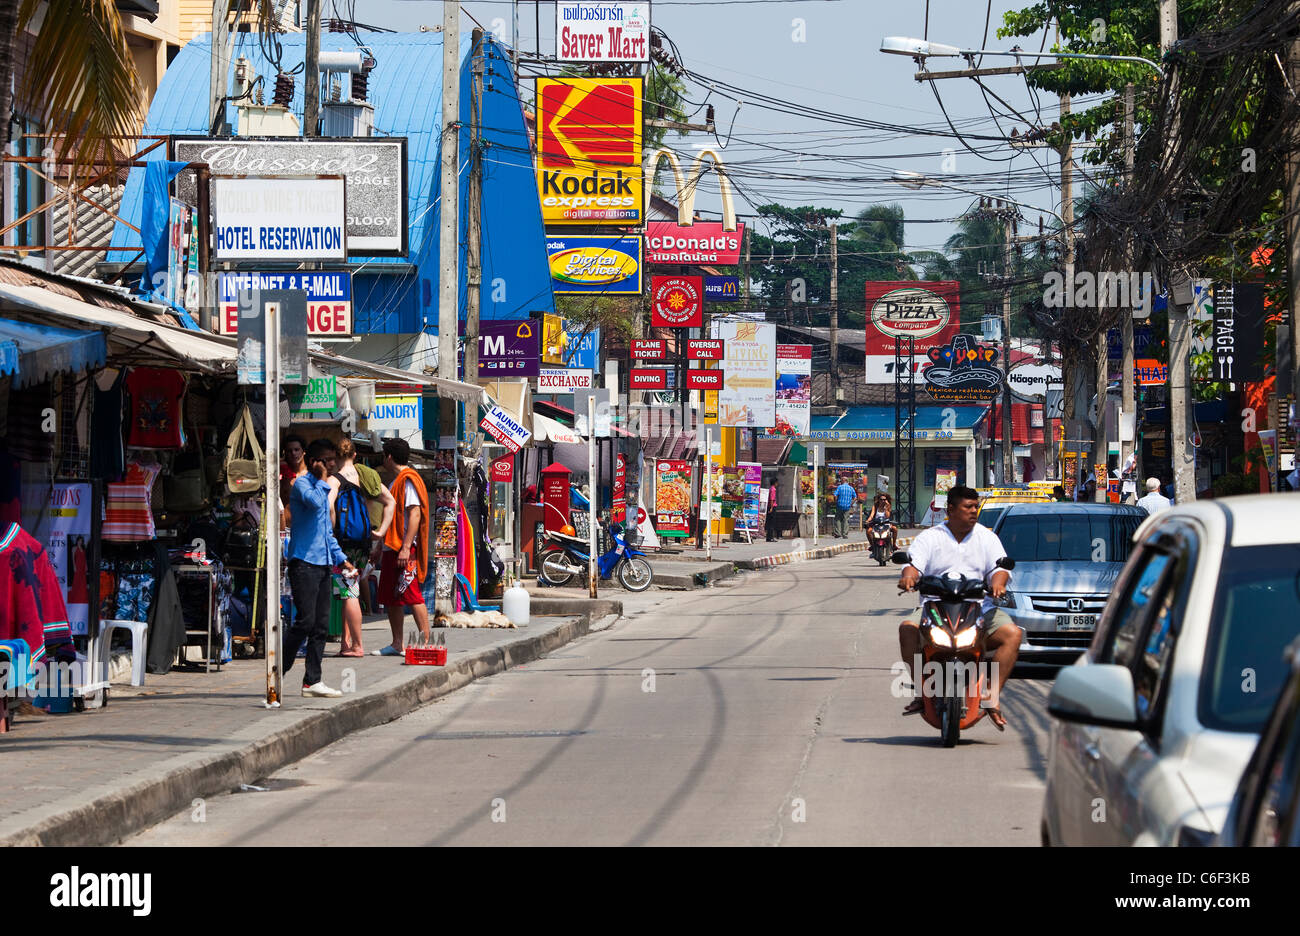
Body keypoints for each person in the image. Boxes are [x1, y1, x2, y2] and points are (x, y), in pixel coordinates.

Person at [897, 485, 1022, 731]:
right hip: (935, 607)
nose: (974, 511)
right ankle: (922, 692)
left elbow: (1000, 568)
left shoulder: (987, 538)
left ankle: (991, 697)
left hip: (979, 608)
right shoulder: (930, 537)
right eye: (968, 507)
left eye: (976, 506)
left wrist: (998, 585)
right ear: (951, 509)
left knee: (1013, 634)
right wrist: (909, 577)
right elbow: (913, 565)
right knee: (907, 629)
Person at [284, 438, 355, 698]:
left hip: (324, 563)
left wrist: (341, 558)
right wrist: (323, 479)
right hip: (303, 562)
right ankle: (278, 668)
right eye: (327, 461)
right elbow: (314, 503)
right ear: (314, 462)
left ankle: (312, 680)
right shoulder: (302, 484)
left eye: (333, 460)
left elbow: (327, 532)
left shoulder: (322, 488)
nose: (331, 464)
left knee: (321, 625)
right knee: (305, 621)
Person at [329, 438, 396, 656]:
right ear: (355, 455)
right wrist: (381, 531)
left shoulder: (334, 480)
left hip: (343, 543)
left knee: (349, 593)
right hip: (363, 542)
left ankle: (357, 645)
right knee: (351, 588)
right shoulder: (365, 477)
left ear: (336, 457)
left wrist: (329, 531)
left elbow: (329, 506)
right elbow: (390, 502)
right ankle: (345, 643)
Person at [373, 438, 430, 656]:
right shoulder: (395, 482)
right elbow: (389, 518)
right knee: (392, 596)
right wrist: (379, 546)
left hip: (404, 548)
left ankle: (426, 642)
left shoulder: (408, 481)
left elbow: (415, 514)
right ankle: (397, 643)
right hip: (391, 546)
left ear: (388, 456)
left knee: (412, 593)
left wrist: (406, 547)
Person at [280, 434, 307, 529]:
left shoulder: (310, 475)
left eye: (296, 450)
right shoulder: (281, 473)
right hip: (284, 528)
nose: (293, 453)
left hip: (304, 529)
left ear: (303, 451)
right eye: (289, 451)